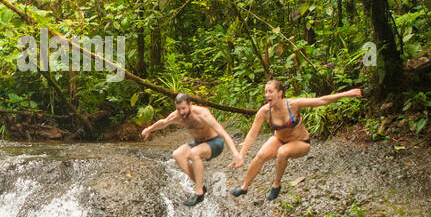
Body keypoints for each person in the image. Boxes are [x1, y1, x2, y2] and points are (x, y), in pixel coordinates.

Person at [232, 78, 363, 201]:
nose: (267, 95)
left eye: (270, 91)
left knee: (282, 152)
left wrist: (347, 93)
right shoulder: (264, 111)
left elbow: (321, 101)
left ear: (280, 93)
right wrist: (241, 155)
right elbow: (252, 134)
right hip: (279, 140)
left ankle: (276, 185)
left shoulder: (293, 105)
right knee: (260, 155)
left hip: (301, 143)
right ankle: (244, 187)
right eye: (266, 92)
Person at [140, 92, 242, 205]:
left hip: (215, 143)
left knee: (194, 153)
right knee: (177, 154)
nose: (181, 112)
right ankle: (201, 186)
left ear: (190, 105)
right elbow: (163, 123)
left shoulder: (202, 114)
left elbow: (223, 133)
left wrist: (236, 154)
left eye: (183, 108)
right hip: (198, 144)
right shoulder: (177, 116)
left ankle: (198, 194)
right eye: (178, 109)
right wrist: (148, 129)